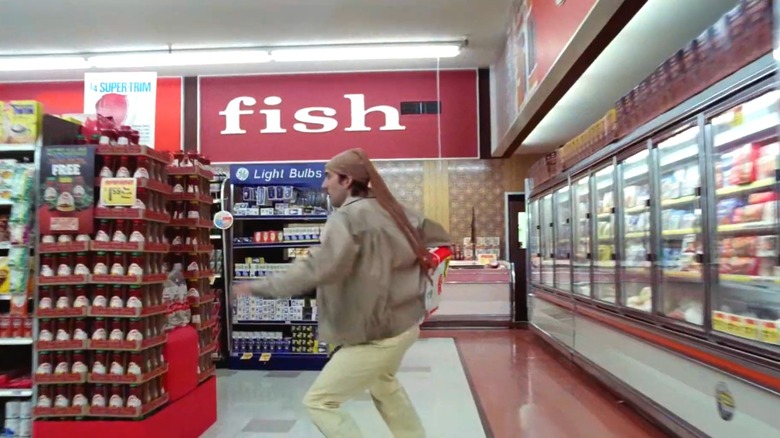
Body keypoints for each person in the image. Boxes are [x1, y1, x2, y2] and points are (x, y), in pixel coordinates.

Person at [232, 148, 451, 438]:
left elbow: (317, 268)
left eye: (328, 177)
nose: (324, 184)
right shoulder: (394, 209)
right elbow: (441, 238)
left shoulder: (347, 217)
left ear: (347, 181)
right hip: (405, 324)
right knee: (384, 385)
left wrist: (257, 287)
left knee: (320, 402)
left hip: (374, 335)